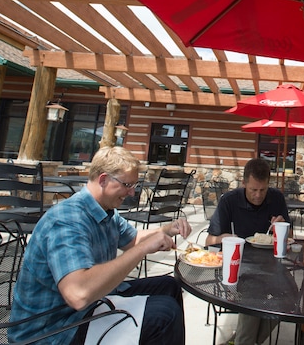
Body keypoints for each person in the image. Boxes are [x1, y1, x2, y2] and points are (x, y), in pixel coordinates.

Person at [10, 146, 191, 345]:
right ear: (103, 180)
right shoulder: (67, 221)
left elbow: (133, 240)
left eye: (134, 185)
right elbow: (78, 294)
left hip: (91, 305)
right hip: (54, 329)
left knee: (169, 286)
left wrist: (166, 229)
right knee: (165, 314)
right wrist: (143, 250)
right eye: (127, 184)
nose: (132, 192)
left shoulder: (105, 211)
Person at [206, 158, 290, 345]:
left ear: (269, 184)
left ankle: (243, 340)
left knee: (292, 294)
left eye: (263, 190)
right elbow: (209, 241)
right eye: (253, 190)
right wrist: (223, 238)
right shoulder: (229, 201)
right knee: (255, 293)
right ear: (243, 184)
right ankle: (245, 341)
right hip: (239, 266)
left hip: (271, 264)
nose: (258, 195)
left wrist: (282, 227)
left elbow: (287, 237)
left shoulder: (276, 198)